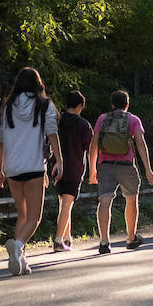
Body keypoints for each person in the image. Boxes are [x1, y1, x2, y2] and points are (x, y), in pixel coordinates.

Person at [0, 66, 62, 276]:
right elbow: (52, 133)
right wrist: (59, 161)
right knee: (34, 217)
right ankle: (18, 245)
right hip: (33, 167)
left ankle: (20, 261)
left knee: (22, 215)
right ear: (38, 83)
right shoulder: (44, 105)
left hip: (13, 168)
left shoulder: (7, 107)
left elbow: (0, 140)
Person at [89, 89, 153, 253]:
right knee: (131, 199)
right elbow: (140, 143)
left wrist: (92, 169)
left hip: (105, 165)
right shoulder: (133, 120)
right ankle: (131, 237)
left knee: (105, 199)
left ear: (112, 104)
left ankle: (104, 242)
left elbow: (94, 144)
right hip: (126, 165)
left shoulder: (102, 119)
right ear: (127, 104)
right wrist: (148, 169)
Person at [52, 89, 93, 252]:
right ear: (79, 106)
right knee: (67, 205)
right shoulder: (83, 125)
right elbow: (88, 149)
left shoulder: (57, 121)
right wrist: (92, 170)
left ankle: (67, 239)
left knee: (63, 203)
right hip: (74, 168)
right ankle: (58, 240)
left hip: (57, 167)